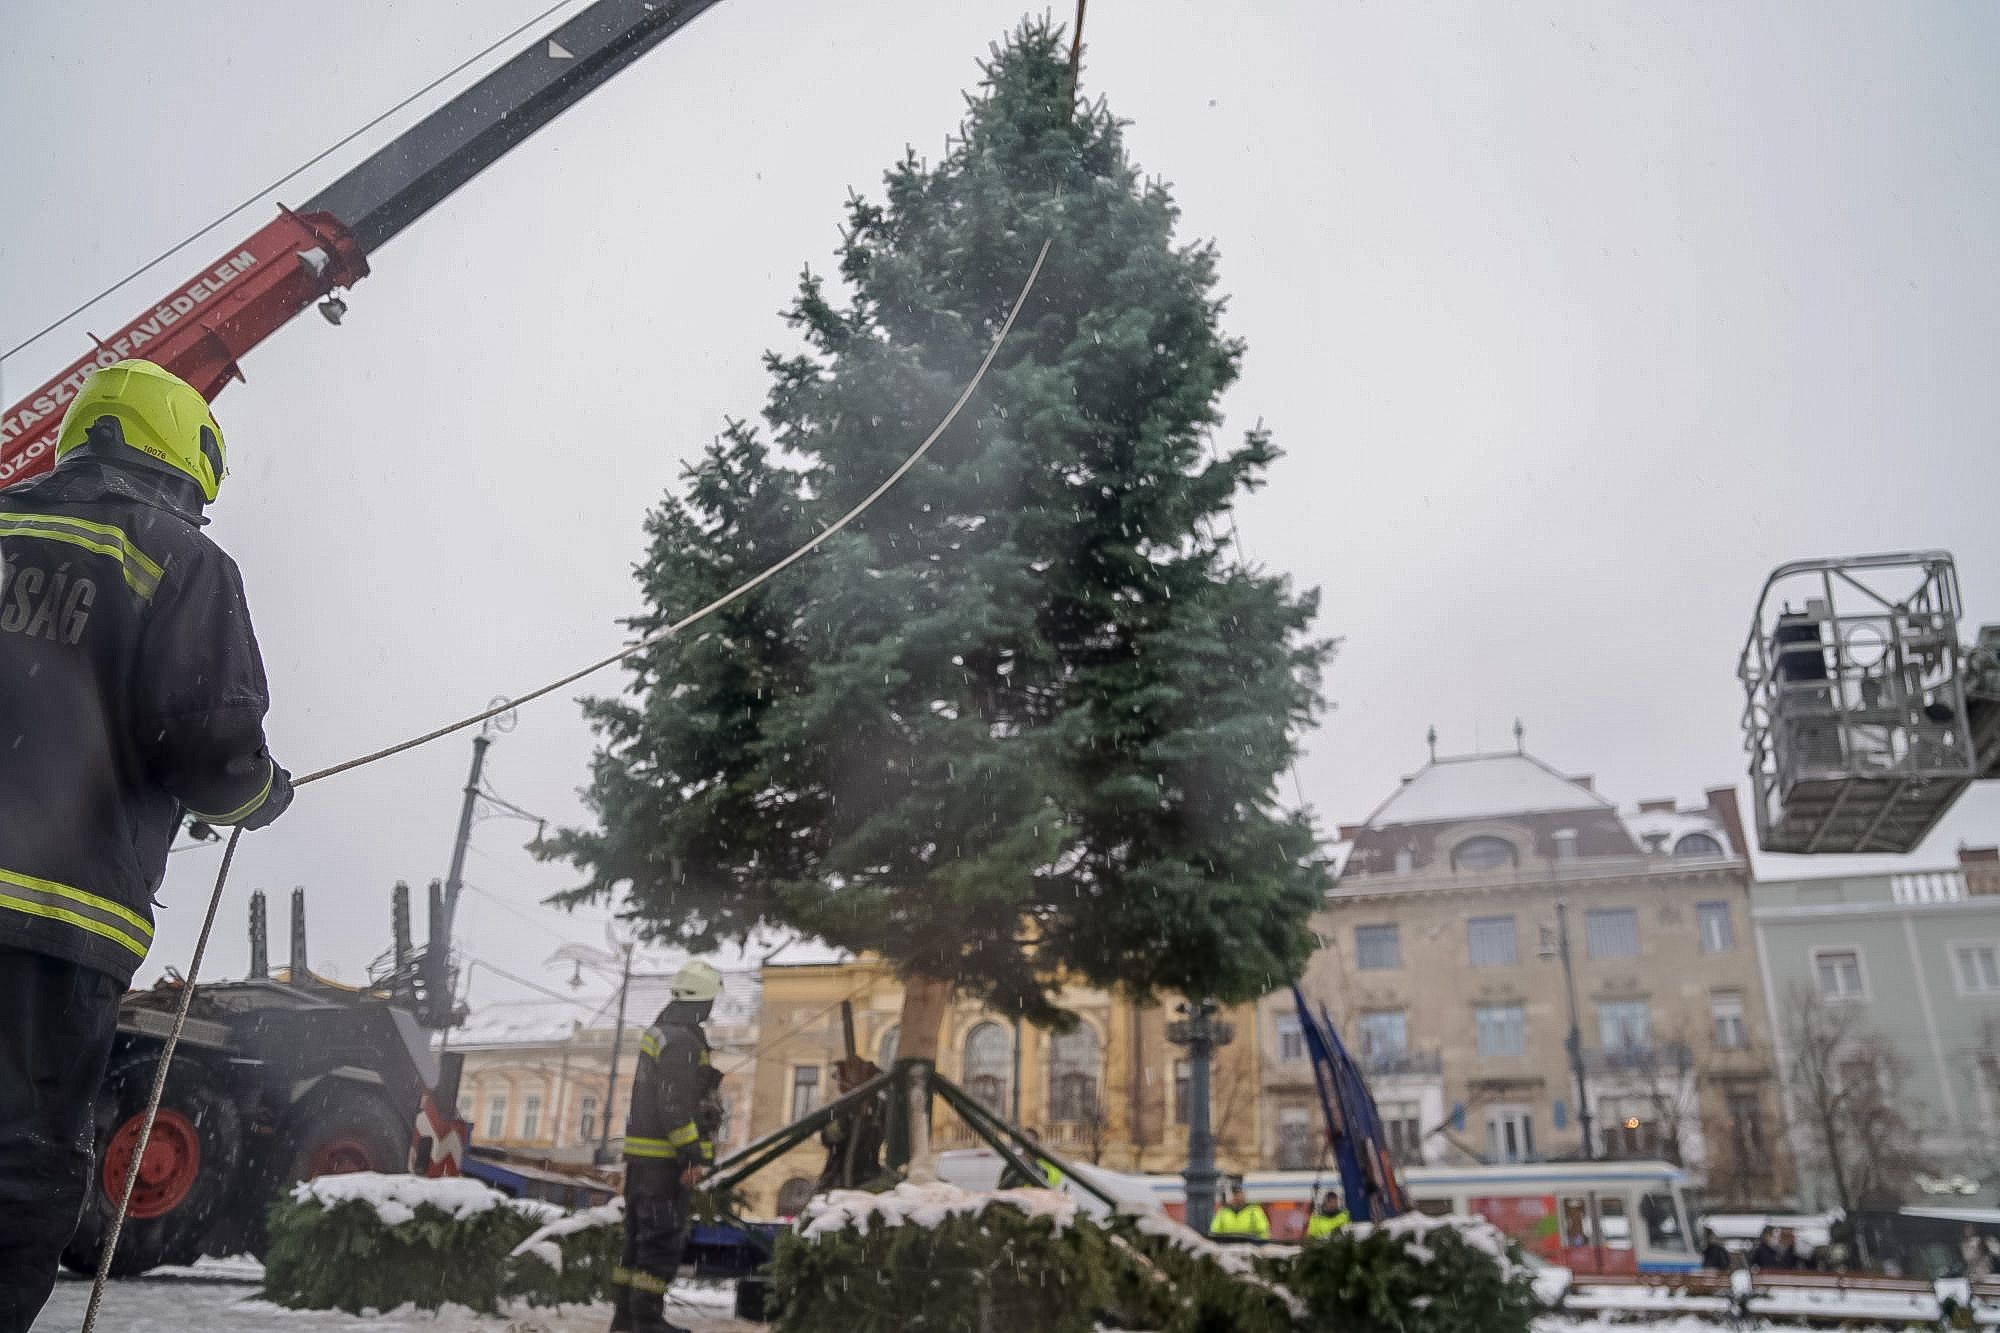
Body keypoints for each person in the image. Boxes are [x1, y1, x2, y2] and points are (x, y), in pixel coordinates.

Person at [0, 359, 292, 1332]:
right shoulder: (178, 558)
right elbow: (210, 748)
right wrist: (259, 793)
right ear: (187, 456)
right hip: (50, 923)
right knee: (18, 1160)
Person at [611, 959, 725, 1333]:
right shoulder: (681, 1042)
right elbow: (674, 1104)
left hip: (645, 1162)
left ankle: (626, 1321)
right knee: (659, 1242)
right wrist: (692, 1154)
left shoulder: (663, 1032)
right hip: (664, 1164)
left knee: (637, 1243)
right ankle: (647, 1321)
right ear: (701, 1002)